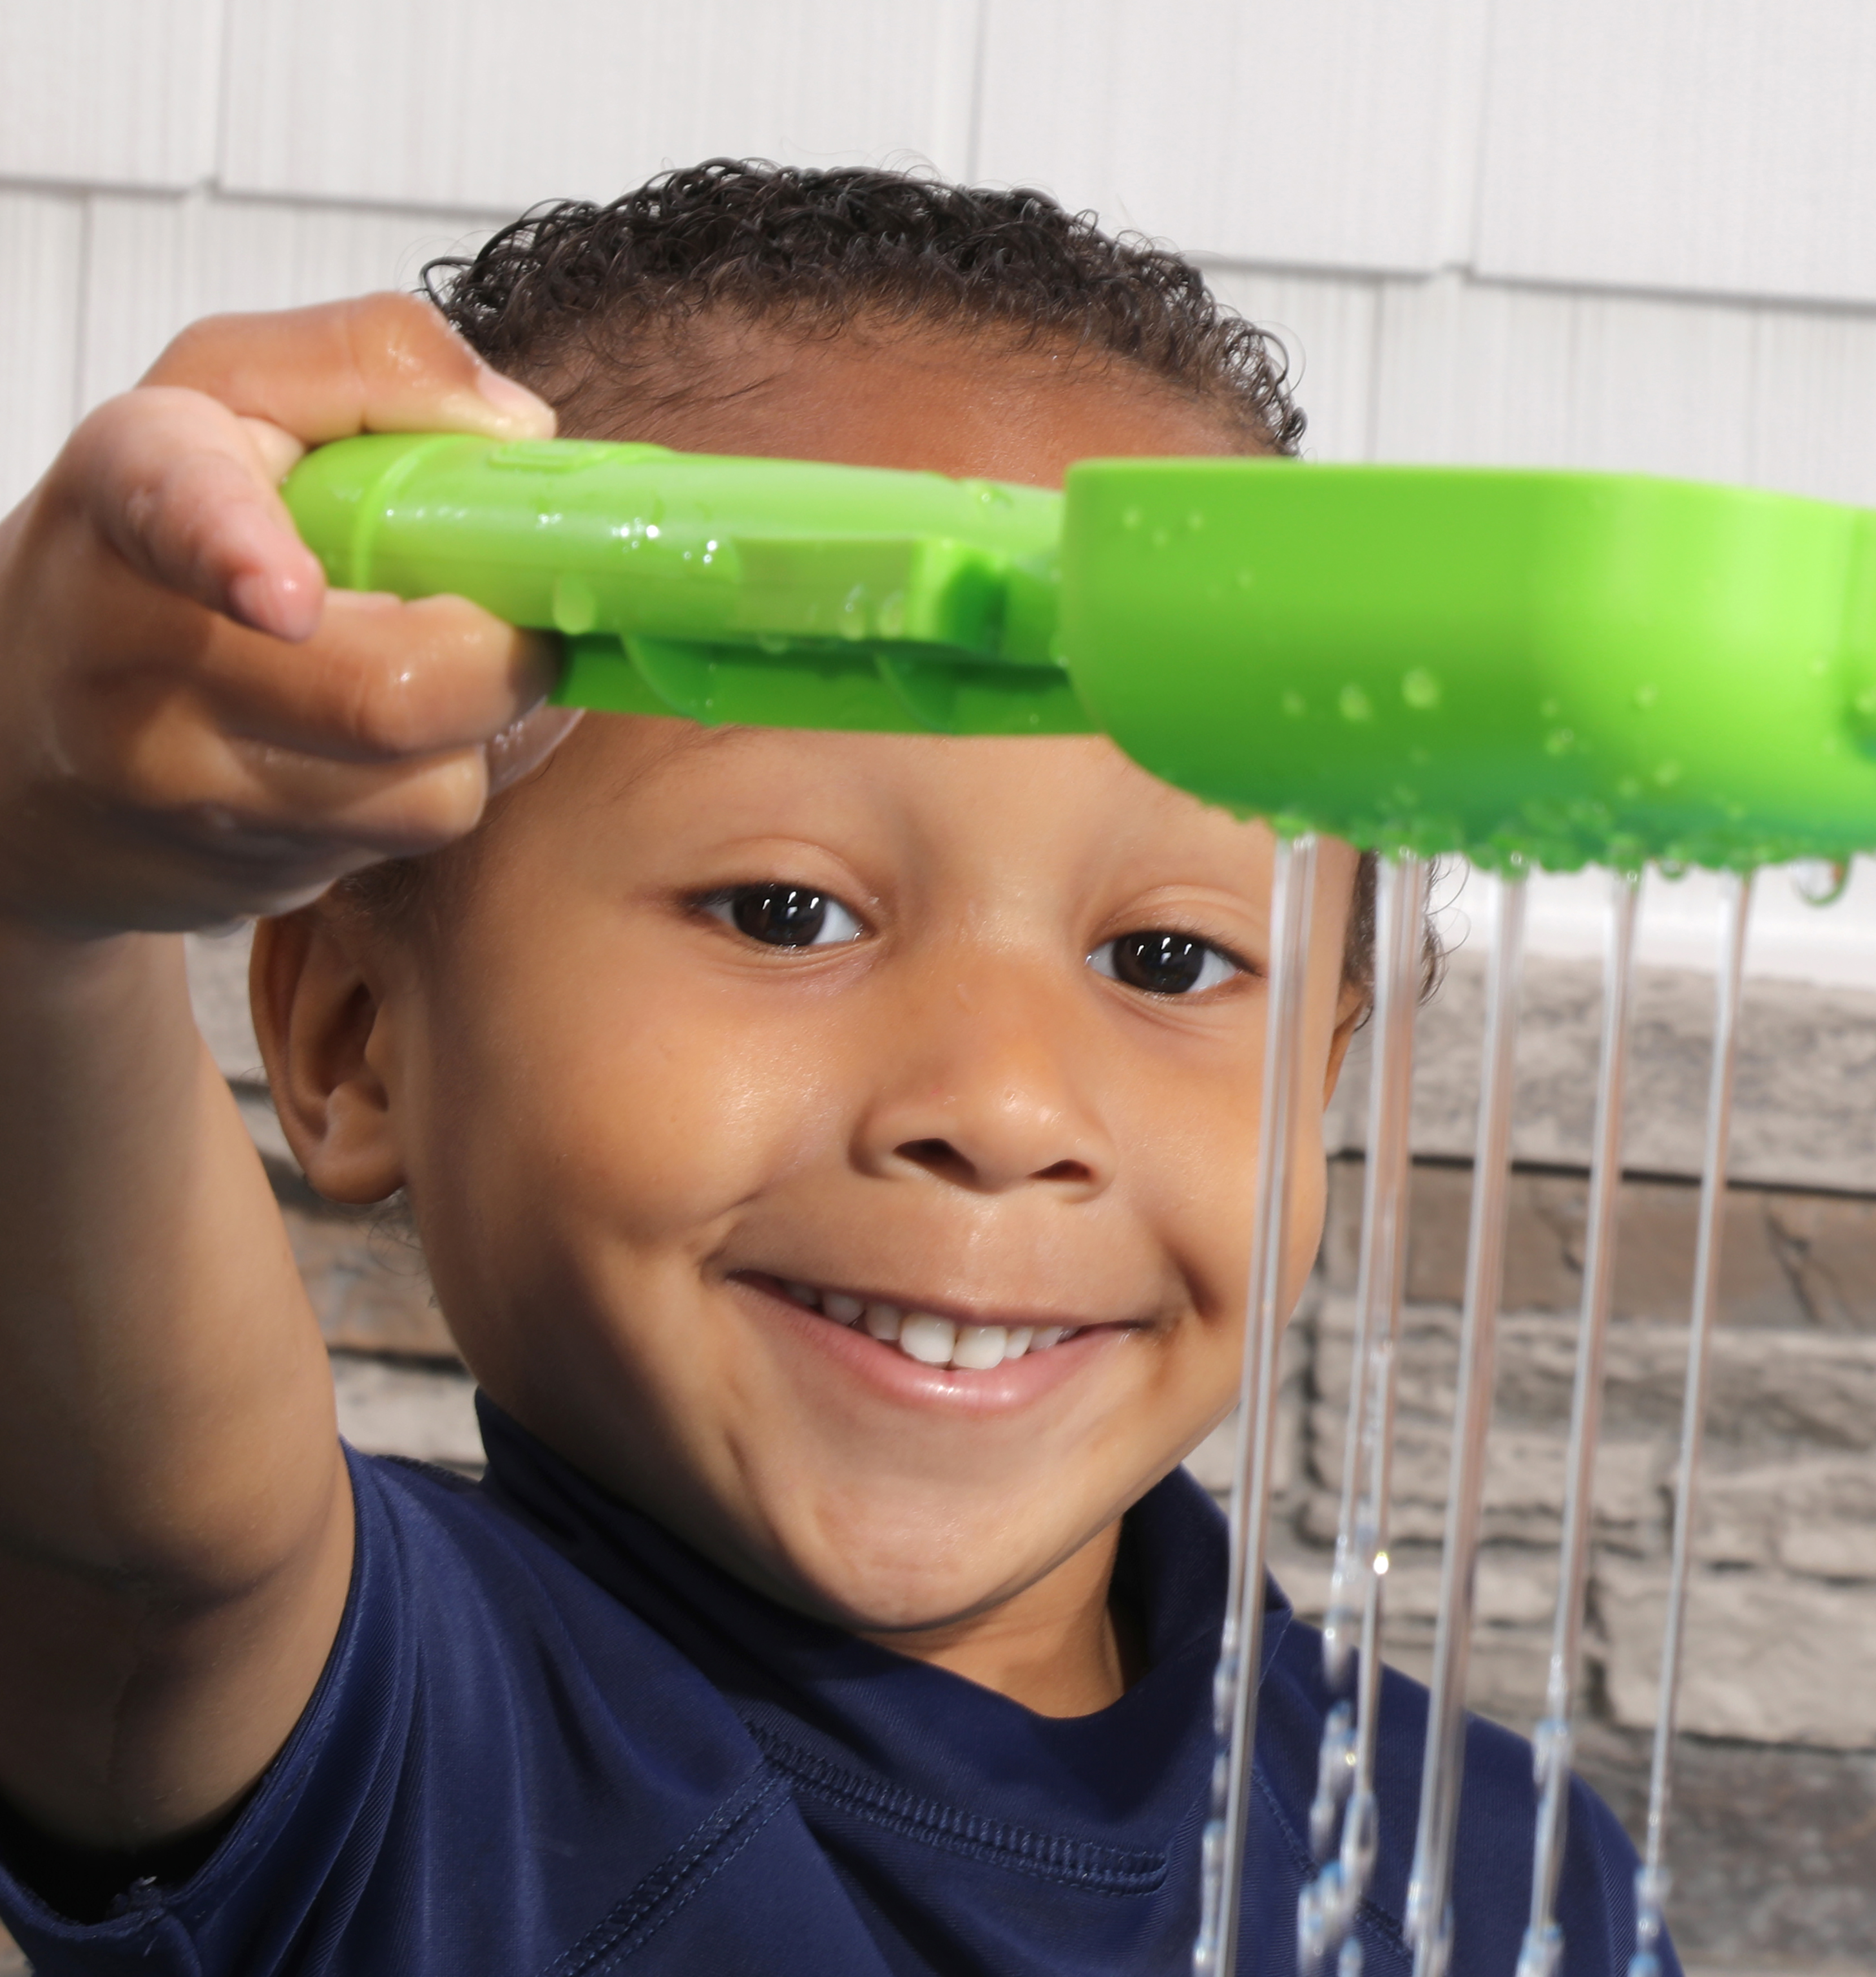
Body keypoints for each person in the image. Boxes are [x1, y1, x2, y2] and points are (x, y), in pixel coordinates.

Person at [0, 161, 1660, 1976]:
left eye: (1168, 959)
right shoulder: (393, 1750)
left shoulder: (1495, 1871)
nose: (1002, 1108)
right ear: (351, 1033)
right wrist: (39, 906)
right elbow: (146, 1544)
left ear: (1327, 1066)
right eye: (786, 912)